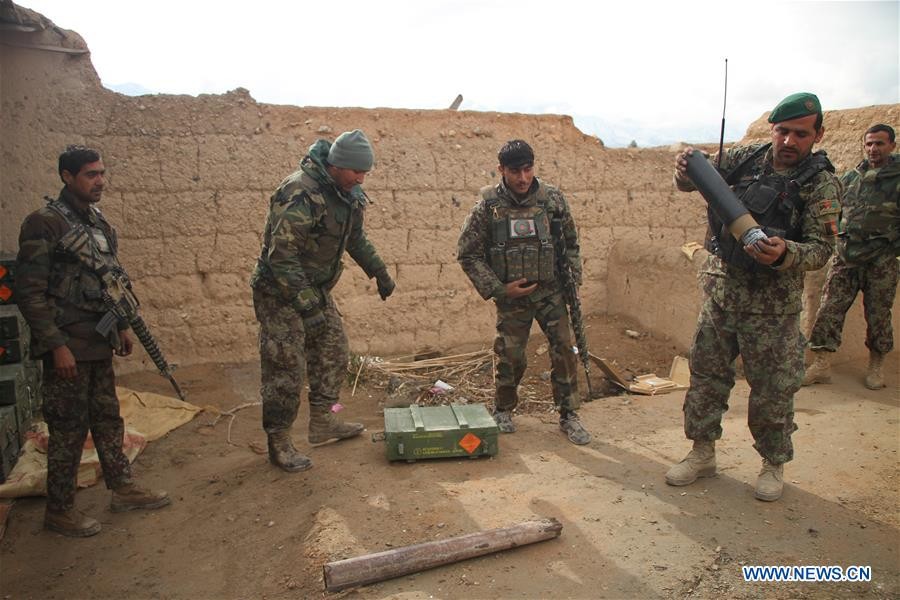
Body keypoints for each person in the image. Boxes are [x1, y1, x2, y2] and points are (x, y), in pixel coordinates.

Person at [666, 93, 842, 501]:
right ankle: (702, 452)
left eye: (800, 134)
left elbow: (822, 249)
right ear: (772, 130)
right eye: (782, 131)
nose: (789, 141)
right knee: (707, 378)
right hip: (721, 294)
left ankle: (773, 463)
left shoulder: (821, 183)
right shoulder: (747, 157)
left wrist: (785, 252)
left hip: (772, 307)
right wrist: (683, 171)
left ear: (817, 134)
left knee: (772, 389)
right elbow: (690, 181)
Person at [15, 145, 171, 538]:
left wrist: (119, 326)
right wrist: (55, 345)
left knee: (106, 418)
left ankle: (123, 488)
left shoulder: (98, 224)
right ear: (67, 177)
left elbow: (109, 284)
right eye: (90, 174)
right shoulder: (44, 224)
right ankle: (60, 510)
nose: (99, 180)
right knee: (68, 429)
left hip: (97, 341)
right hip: (67, 346)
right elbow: (29, 293)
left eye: (101, 173)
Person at [250, 130, 395, 472]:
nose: (361, 178)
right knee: (285, 368)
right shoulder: (300, 193)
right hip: (279, 292)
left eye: (365, 173)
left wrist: (379, 270)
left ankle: (325, 421)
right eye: (356, 172)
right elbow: (281, 258)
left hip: (314, 290)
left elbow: (355, 238)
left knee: (333, 353)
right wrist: (307, 307)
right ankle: (280, 441)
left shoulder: (345, 193)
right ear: (336, 165)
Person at [457, 139, 591, 445]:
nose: (523, 178)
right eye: (515, 171)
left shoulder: (553, 200)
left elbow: (570, 243)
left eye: (528, 169)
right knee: (510, 355)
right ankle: (503, 408)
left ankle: (569, 415)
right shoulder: (488, 207)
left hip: (551, 292)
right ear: (501, 169)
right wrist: (498, 289)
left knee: (564, 350)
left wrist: (573, 280)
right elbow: (467, 254)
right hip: (512, 298)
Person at [803, 124, 899, 390]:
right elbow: (833, 212)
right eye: (869, 144)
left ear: (892, 145)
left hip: (881, 261)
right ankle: (821, 364)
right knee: (829, 310)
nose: (873, 149)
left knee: (878, 315)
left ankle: (876, 366)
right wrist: (836, 237)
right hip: (846, 258)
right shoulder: (851, 178)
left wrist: (892, 251)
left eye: (879, 143)